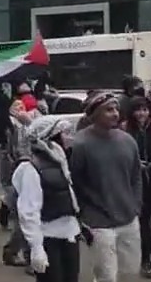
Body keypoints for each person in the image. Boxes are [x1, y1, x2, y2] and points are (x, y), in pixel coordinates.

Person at [70, 93, 142, 282]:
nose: (115, 113)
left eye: (116, 109)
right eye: (109, 110)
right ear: (94, 114)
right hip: (98, 222)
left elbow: (136, 177)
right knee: (106, 276)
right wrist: (86, 214)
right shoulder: (81, 144)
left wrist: (136, 206)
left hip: (128, 219)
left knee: (130, 273)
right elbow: (75, 182)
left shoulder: (128, 141)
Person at [13, 115, 80, 282]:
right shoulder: (31, 168)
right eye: (63, 133)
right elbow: (29, 211)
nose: (68, 138)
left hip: (69, 234)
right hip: (48, 237)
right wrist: (36, 247)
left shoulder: (60, 161)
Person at [123, 95, 151, 275]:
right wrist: (136, 164)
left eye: (145, 109)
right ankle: (145, 260)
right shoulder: (126, 131)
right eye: (138, 110)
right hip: (138, 183)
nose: (142, 113)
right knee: (143, 221)